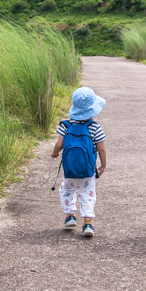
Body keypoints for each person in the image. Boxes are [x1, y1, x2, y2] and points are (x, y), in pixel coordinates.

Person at [51, 86, 108, 238]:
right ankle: (87, 223)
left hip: (70, 171)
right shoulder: (94, 127)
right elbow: (101, 148)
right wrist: (103, 165)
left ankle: (70, 215)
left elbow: (59, 144)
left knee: (66, 190)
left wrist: (55, 153)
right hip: (88, 171)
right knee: (87, 195)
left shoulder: (66, 125)